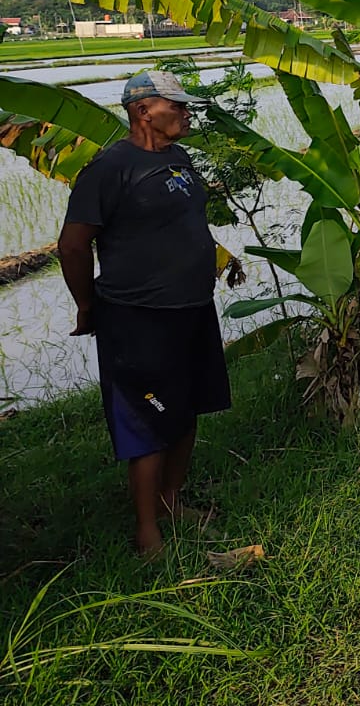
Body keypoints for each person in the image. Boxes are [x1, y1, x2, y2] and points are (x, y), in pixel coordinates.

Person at [59, 69, 230, 555]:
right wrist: (87, 306)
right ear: (142, 111)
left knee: (189, 407)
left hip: (192, 308)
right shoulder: (110, 169)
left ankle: (171, 502)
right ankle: (146, 530)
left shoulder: (178, 158)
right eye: (175, 106)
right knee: (147, 420)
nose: (185, 113)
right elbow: (73, 247)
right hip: (137, 316)